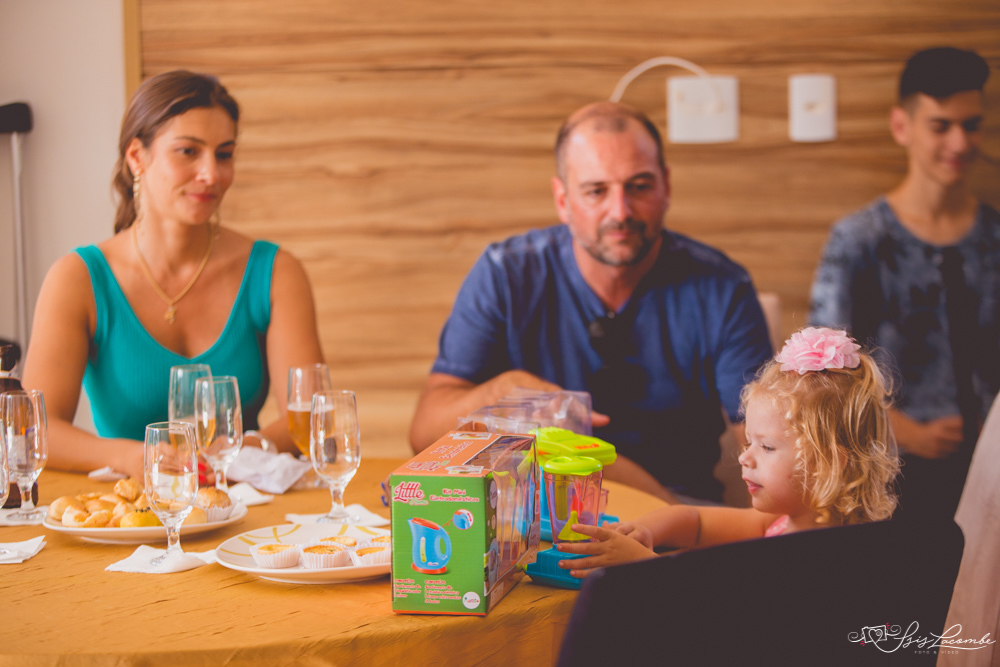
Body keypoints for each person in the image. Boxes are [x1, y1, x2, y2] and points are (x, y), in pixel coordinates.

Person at [409, 101, 773, 503]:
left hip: (683, 520)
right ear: (562, 200)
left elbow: (768, 447)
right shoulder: (505, 274)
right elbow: (424, 434)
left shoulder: (722, 286)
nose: (620, 211)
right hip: (535, 519)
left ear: (666, 186)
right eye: (596, 191)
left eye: (639, 186)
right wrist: (501, 393)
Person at [22, 70, 324, 480]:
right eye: (188, 151)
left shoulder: (275, 272)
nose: (211, 174)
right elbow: (37, 431)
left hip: (240, 503)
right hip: (127, 509)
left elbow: (307, 417)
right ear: (137, 156)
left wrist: (241, 451)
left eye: (224, 154)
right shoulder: (77, 279)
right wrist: (134, 457)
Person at [809, 47, 996, 516]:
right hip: (889, 472)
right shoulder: (859, 239)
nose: (960, 143)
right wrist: (906, 430)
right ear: (901, 126)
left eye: (971, 125)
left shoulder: (994, 236)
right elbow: (822, 369)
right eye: (940, 126)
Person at [557, 327, 900, 575]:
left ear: (829, 463)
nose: (744, 457)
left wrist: (642, 563)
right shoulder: (781, 521)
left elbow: (722, 604)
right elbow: (696, 521)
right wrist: (644, 532)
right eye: (749, 442)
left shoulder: (827, 556)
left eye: (767, 447)